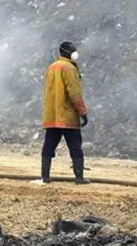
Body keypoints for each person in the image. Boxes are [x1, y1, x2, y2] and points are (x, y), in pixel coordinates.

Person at [40, 41, 89, 184]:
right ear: (67, 52)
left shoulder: (51, 67)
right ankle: (79, 177)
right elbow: (74, 93)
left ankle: (45, 177)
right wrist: (82, 111)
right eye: (73, 50)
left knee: (49, 145)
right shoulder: (69, 68)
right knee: (75, 147)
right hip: (67, 116)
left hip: (52, 115)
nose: (75, 52)